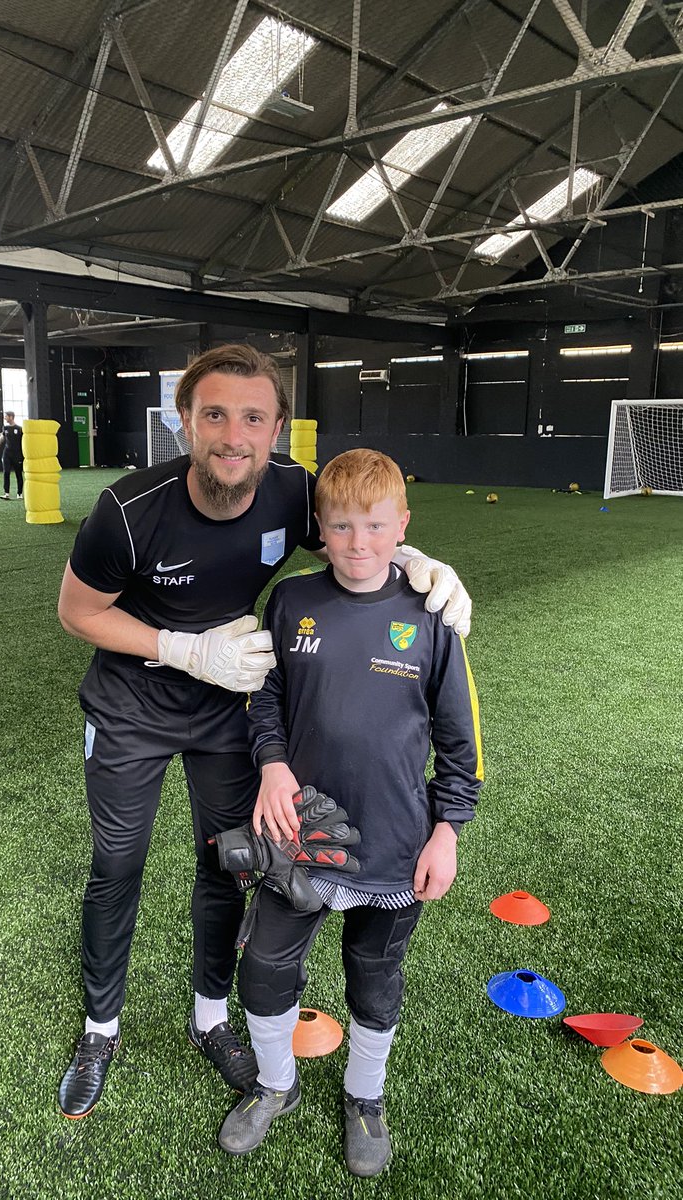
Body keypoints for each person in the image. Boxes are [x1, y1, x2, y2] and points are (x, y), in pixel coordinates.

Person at [55, 345, 473, 1122]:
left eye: (253, 417)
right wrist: (181, 649)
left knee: (225, 865)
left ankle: (210, 1017)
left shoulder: (291, 490)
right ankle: (98, 1030)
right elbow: (77, 612)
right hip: (132, 707)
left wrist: (418, 561)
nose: (233, 434)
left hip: (228, 706)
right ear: (184, 420)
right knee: (118, 865)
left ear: (277, 428)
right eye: (214, 413)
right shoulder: (125, 509)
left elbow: (356, 539)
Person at [217, 448, 483, 1177]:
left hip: (396, 844)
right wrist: (272, 763)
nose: (358, 543)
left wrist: (447, 833)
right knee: (266, 971)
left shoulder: (429, 618)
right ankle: (277, 1085)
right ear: (320, 530)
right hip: (298, 835)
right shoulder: (293, 601)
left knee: (375, 976)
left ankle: (364, 1098)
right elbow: (265, 698)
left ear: (403, 525)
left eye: (373, 525)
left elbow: (463, 743)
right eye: (340, 526)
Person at [0, 411, 23, 500]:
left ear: (11, 417)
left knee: (18, 473)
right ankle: (6, 493)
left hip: (17, 454)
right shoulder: (5, 427)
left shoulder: (19, 428)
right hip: (7, 453)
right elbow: (2, 437)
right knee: (6, 472)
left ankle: (19, 493)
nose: (5, 418)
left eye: (6, 416)